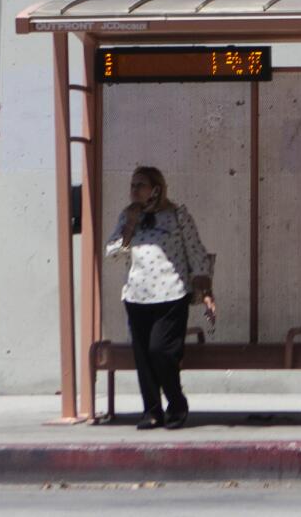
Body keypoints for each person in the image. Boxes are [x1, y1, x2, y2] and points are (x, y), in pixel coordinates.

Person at [104, 165, 215, 429]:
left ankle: (176, 403)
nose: (134, 190)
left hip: (171, 294)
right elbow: (113, 253)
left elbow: (196, 253)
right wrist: (130, 226)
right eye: (132, 185)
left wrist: (206, 292)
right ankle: (152, 411)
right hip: (137, 296)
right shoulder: (127, 216)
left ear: (155, 189)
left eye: (140, 185)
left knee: (161, 351)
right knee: (143, 356)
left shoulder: (177, 215)